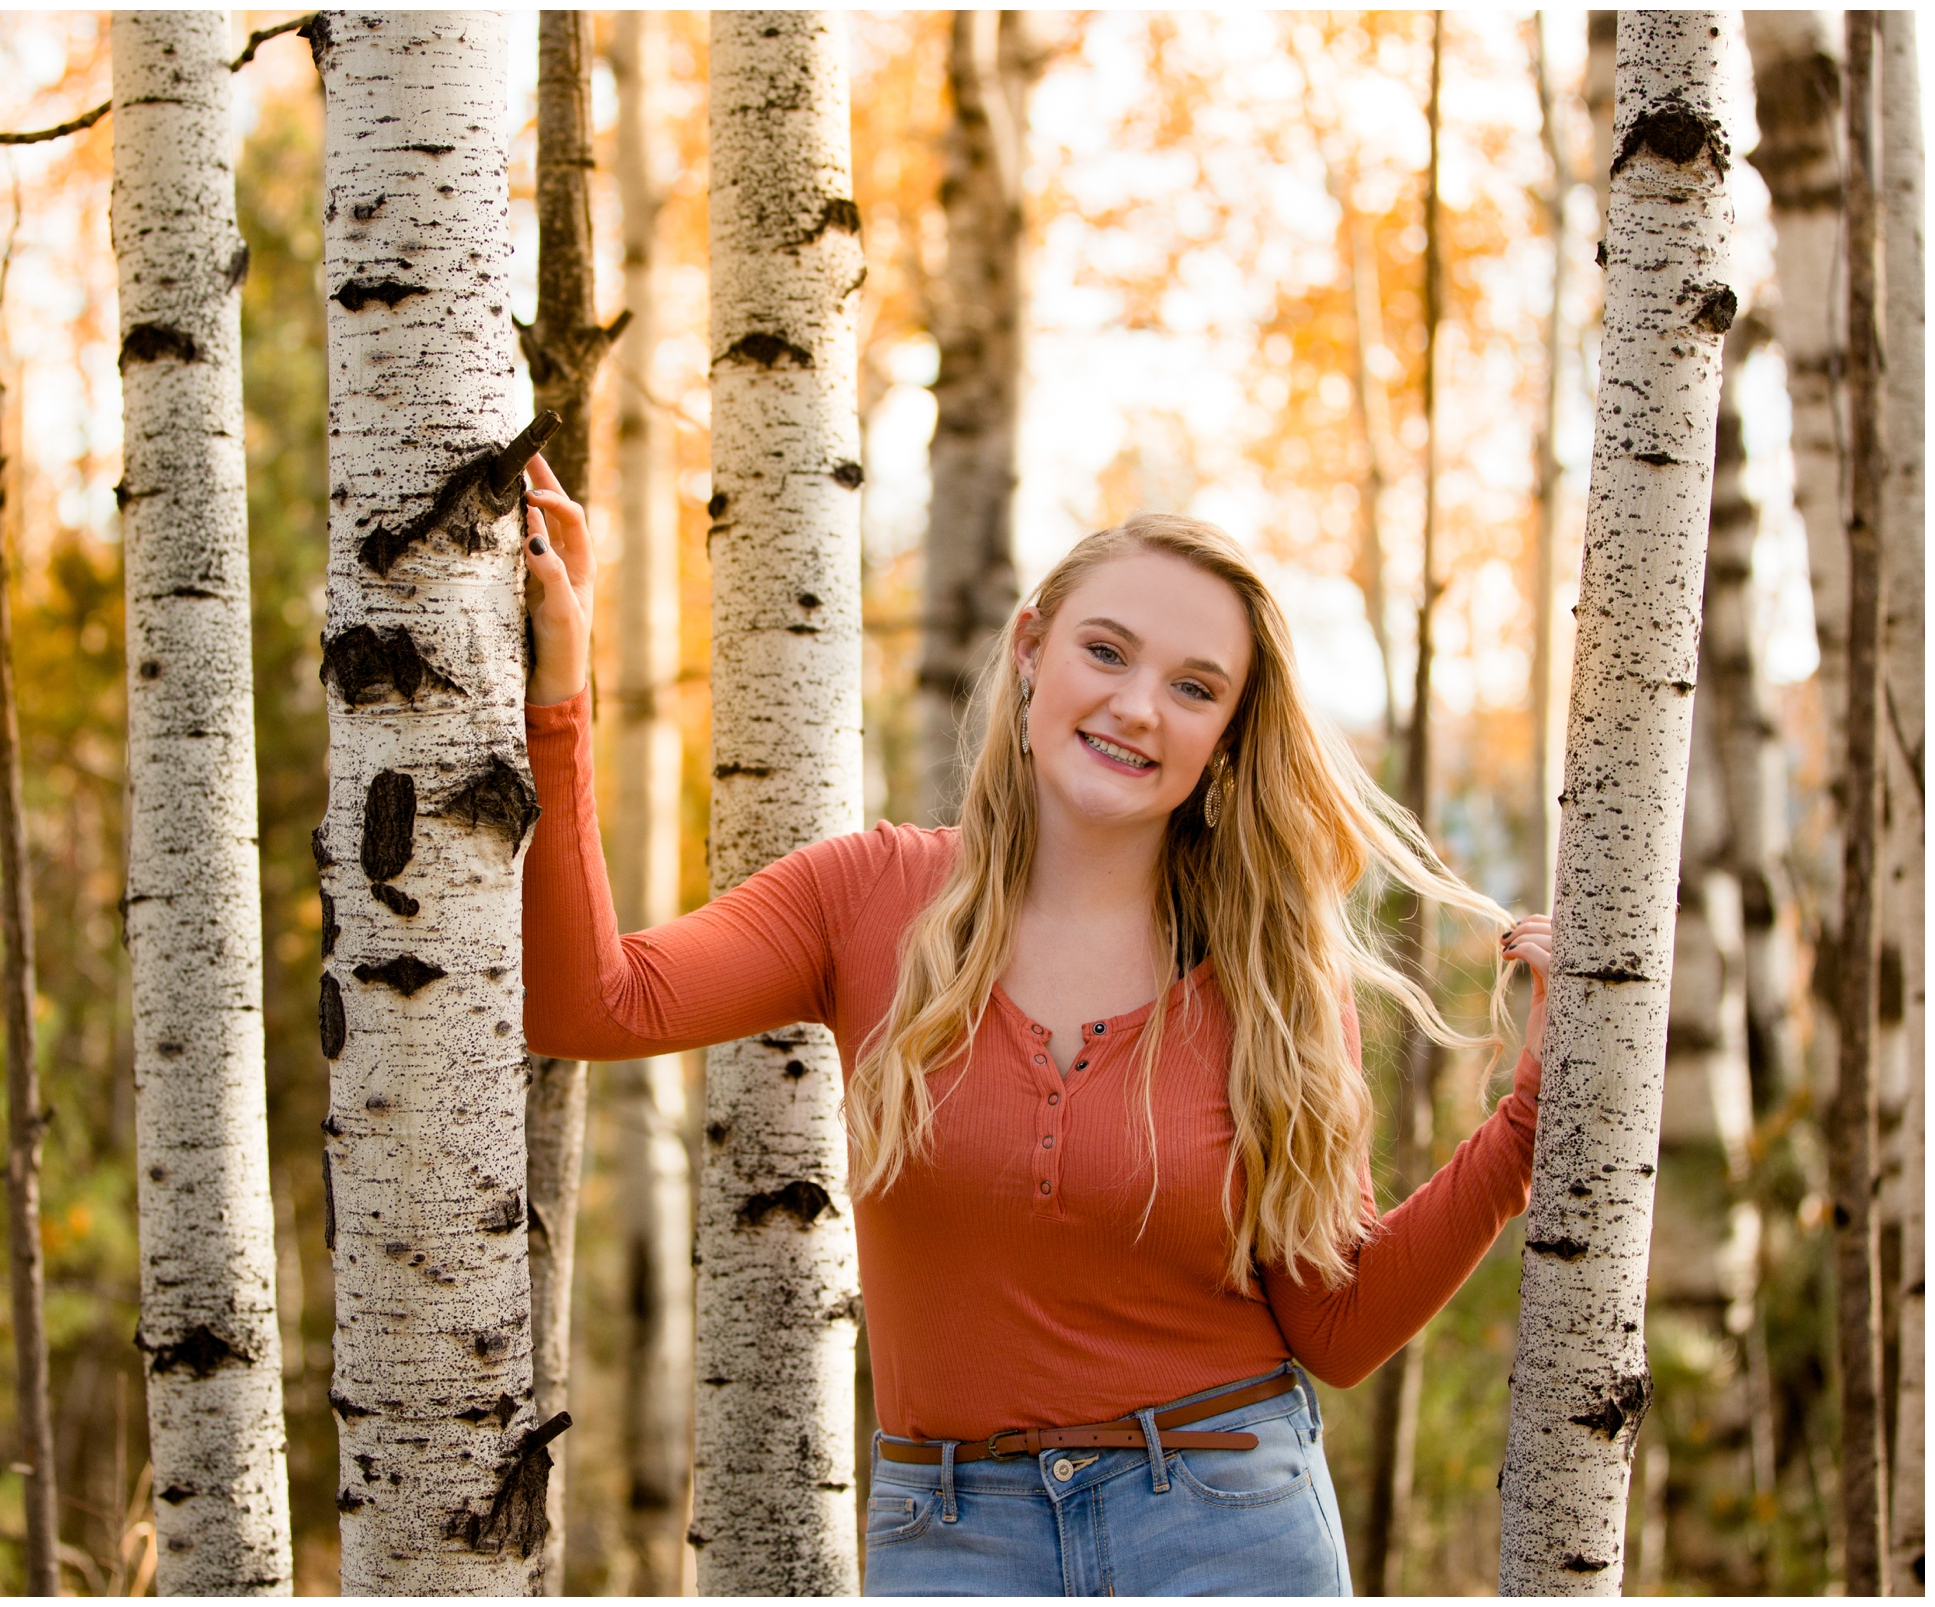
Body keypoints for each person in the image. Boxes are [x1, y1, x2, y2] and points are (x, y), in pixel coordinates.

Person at [517, 455, 1554, 1598]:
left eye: (1195, 687)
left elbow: (1340, 1324)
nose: (1135, 706)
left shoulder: (1269, 977)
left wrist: (1529, 1118)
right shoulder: (865, 899)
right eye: (1105, 651)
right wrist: (558, 697)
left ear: (1227, 737)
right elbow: (589, 1001)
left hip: (1230, 1527)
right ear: (1029, 653)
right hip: (954, 1537)